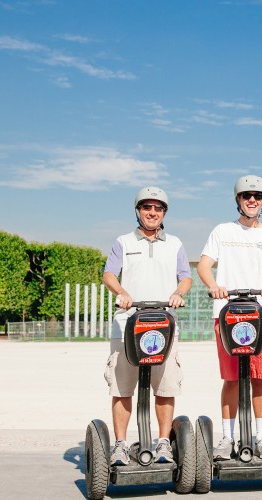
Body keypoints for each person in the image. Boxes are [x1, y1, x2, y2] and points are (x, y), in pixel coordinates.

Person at [197, 174, 262, 460]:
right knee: (231, 379)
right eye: (247, 196)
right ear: (238, 200)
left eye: (258, 196)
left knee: (261, 378)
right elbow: (204, 265)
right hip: (228, 315)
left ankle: (261, 436)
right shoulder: (222, 231)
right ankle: (227, 438)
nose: (252, 200)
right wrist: (213, 285)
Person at [102, 187, 192, 466]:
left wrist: (179, 293)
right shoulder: (123, 241)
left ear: (164, 212)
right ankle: (119, 444)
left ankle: (164, 442)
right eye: (147, 207)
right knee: (122, 387)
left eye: (158, 208)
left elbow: (186, 277)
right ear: (138, 211)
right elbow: (108, 274)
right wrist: (121, 292)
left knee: (165, 387)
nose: (152, 213)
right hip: (126, 324)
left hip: (164, 325)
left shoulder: (175, 243)